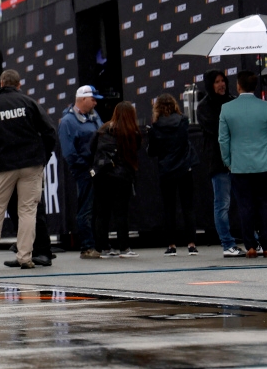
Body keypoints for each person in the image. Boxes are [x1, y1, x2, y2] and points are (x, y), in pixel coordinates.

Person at [0, 70, 57, 271]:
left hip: (4, 167)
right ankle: (25, 257)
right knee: (28, 211)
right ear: (19, 85)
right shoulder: (29, 103)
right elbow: (50, 132)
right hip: (31, 164)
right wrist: (43, 158)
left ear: (1, 83)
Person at [220, 71, 267, 258]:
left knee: (245, 206)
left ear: (238, 86)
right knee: (266, 205)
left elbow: (223, 140)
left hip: (240, 166)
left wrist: (228, 162)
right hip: (265, 165)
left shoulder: (227, 109)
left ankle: (251, 246)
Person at [197, 70, 244, 257]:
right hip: (218, 161)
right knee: (222, 204)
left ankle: (251, 240)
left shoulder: (234, 101)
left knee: (245, 202)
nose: (221, 84)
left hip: (240, 160)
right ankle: (228, 244)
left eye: (223, 80)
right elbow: (218, 129)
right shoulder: (204, 107)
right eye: (216, 81)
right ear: (210, 84)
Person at [148, 94, 199, 256]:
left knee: (169, 207)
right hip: (184, 167)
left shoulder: (155, 126)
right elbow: (185, 143)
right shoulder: (183, 121)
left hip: (166, 169)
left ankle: (171, 245)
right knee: (188, 206)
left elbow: (153, 151)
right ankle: (191, 244)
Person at [90, 101, 142, 257]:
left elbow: (92, 149)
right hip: (122, 176)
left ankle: (102, 247)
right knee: (121, 212)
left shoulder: (102, 129)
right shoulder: (133, 132)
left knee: (101, 212)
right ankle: (124, 248)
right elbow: (135, 152)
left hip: (101, 175)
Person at [58, 85, 104, 259]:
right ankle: (87, 246)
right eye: (93, 100)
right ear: (83, 99)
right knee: (85, 208)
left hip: (98, 168)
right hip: (85, 171)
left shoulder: (93, 117)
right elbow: (68, 152)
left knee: (97, 208)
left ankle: (99, 244)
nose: (95, 104)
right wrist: (85, 166)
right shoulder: (68, 121)